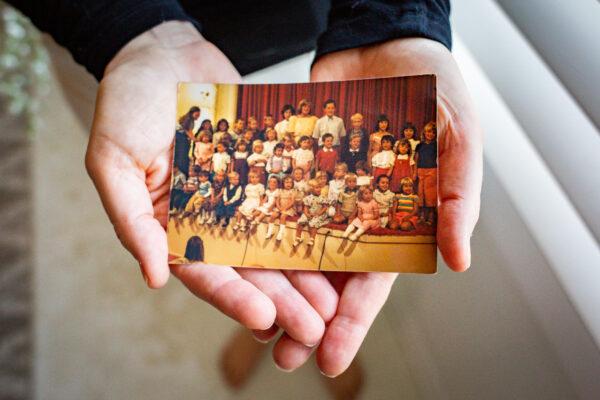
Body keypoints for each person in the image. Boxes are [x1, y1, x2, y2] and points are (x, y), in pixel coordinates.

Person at [20, 0, 483, 379]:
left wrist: (393, 18)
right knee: (204, 241)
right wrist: (126, 29)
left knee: (343, 278)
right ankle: (284, 313)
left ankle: (314, 314)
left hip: (330, 37)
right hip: (125, 54)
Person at [293, 179, 330, 247]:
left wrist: (318, 213)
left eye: (319, 187)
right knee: (301, 221)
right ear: (311, 189)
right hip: (310, 213)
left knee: (314, 223)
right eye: (317, 188)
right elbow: (306, 208)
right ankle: (298, 238)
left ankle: (312, 239)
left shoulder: (322, 198)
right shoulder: (308, 198)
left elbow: (325, 207)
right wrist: (307, 214)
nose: (319, 189)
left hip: (319, 214)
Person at [414, 122, 438, 226]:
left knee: (430, 194)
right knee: (421, 193)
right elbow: (416, 159)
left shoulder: (436, 145)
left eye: (433, 132)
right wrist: (415, 172)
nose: (430, 134)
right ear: (424, 132)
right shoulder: (419, 145)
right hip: (420, 171)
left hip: (432, 170)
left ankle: (431, 216)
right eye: (428, 131)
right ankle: (422, 215)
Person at [271, 175, 296, 241]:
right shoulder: (280, 190)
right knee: (273, 215)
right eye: (287, 182)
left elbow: (292, 202)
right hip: (280, 207)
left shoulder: (292, 191)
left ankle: (281, 232)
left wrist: (285, 208)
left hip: (288, 208)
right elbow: (277, 200)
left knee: (283, 216)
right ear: (283, 183)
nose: (288, 184)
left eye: (290, 182)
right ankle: (270, 231)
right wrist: (279, 207)